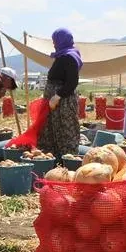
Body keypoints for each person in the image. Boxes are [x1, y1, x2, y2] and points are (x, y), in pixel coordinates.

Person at [37, 28, 81, 160]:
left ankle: (67, 161)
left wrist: (57, 96)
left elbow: (72, 82)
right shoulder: (62, 55)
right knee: (51, 130)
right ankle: (52, 160)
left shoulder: (70, 57)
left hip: (63, 103)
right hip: (56, 103)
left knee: (65, 131)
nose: (54, 44)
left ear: (62, 40)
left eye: (55, 41)